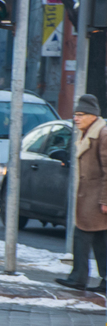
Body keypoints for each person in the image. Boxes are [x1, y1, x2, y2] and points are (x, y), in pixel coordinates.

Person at [56, 94, 107, 293]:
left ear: (93, 116)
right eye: (75, 114)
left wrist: (105, 200)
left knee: (82, 235)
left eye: (81, 114)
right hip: (89, 197)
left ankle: (78, 278)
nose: (76, 118)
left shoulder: (102, 135)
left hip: (96, 198)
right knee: (101, 240)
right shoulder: (86, 133)